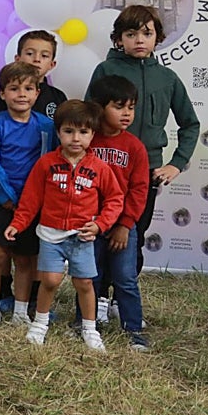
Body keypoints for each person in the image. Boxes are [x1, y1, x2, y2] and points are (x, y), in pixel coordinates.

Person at [86, 4, 200, 277]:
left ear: (157, 38)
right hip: (105, 168)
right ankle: (97, 297)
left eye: (147, 33)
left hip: (146, 171)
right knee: (99, 233)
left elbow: (190, 124)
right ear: (119, 38)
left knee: (134, 232)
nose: (139, 39)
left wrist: (177, 163)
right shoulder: (105, 70)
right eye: (131, 33)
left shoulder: (167, 78)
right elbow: (88, 117)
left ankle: (122, 296)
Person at [5, 100, 124, 351]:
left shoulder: (99, 167)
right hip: (50, 234)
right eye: (69, 131)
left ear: (93, 134)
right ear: (58, 132)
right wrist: (18, 223)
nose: (76, 138)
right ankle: (39, 324)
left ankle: (89, 329)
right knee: (49, 279)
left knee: (85, 283)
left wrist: (100, 225)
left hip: (82, 237)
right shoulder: (46, 164)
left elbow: (115, 199)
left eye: (83, 132)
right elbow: (31, 198)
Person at [0, 61, 56, 327]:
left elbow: (53, 163)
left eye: (28, 88)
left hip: (33, 205)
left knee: (25, 258)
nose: (21, 94)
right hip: (0, 203)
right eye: (14, 88)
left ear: (37, 94)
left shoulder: (47, 128)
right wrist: (3, 198)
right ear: (1, 93)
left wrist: (36, 201)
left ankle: (21, 310)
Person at [0, 29, 68, 312]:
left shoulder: (57, 97)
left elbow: (63, 140)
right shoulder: (7, 95)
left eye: (44, 55)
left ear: (52, 64)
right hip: (7, 186)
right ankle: (2, 293)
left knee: (34, 247)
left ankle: (34, 297)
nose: (36, 60)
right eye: (30, 53)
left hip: (43, 189)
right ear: (17, 57)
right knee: (3, 245)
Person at [86, 75, 151, 349]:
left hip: (122, 227)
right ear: (100, 107)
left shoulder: (134, 147)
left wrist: (125, 224)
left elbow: (139, 190)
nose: (127, 113)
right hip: (90, 224)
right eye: (119, 106)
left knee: (125, 279)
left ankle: (134, 330)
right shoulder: (86, 140)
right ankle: (85, 323)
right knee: (91, 275)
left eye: (131, 107)